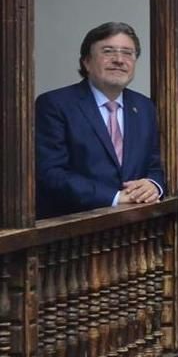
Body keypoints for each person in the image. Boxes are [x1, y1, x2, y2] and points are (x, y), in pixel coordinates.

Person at [34, 21, 166, 219]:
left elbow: (154, 165)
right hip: (74, 231)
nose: (119, 60)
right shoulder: (55, 104)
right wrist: (113, 197)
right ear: (86, 61)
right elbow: (51, 173)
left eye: (128, 53)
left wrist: (152, 185)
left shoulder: (144, 106)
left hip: (137, 231)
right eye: (108, 51)